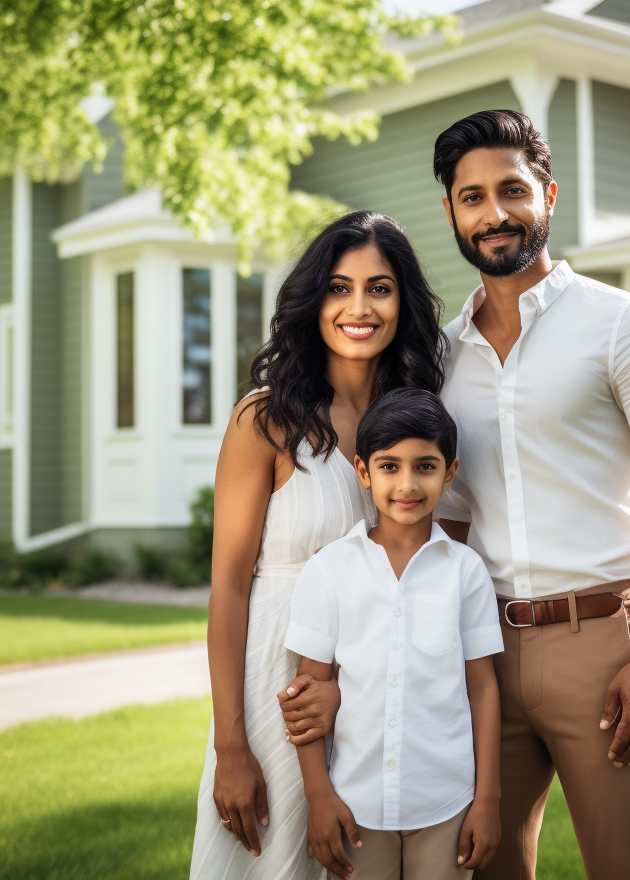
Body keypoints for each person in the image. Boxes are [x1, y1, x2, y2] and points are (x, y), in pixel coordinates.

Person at [429, 109, 630, 879]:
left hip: (602, 647)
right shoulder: (441, 355)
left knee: (627, 869)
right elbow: (454, 513)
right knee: (478, 867)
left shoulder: (624, 325)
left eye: (512, 191)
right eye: (472, 198)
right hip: (484, 651)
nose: (494, 214)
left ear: (549, 195)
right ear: (451, 213)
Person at [188, 211, 448, 880]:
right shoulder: (266, 419)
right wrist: (230, 746)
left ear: (403, 301)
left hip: (379, 685)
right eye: (339, 287)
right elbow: (229, 587)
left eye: (380, 288)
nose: (359, 307)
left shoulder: (418, 425)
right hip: (276, 688)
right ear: (315, 300)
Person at [285, 388, 504, 879]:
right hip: (355, 803)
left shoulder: (465, 572)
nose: (407, 483)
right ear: (363, 471)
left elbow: (483, 687)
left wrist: (487, 799)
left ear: (450, 472)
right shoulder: (329, 571)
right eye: (389, 466)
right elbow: (306, 695)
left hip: (446, 801)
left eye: (425, 466)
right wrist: (318, 797)